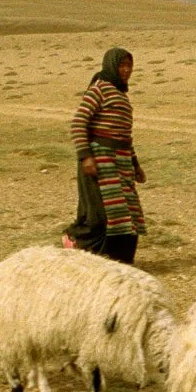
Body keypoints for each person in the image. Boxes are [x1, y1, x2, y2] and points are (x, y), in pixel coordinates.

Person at [64, 46, 145, 262]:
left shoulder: (120, 94)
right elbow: (79, 122)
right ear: (111, 65)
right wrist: (85, 156)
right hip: (99, 160)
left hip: (121, 162)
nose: (127, 70)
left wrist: (136, 165)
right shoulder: (99, 89)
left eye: (130, 65)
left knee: (125, 214)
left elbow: (124, 135)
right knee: (99, 216)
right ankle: (74, 243)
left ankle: (118, 261)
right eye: (122, 65)